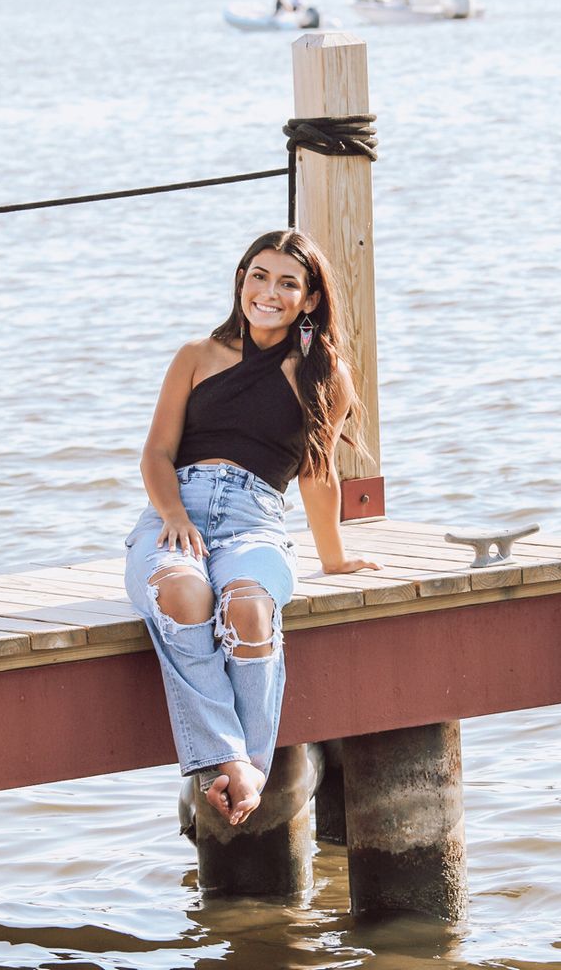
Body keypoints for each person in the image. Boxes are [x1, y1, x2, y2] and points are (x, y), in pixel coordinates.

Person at [124, 229, 380, 829]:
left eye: (287, 283)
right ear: (241, 280)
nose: (268, 291)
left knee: (245, 606)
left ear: (309, 299)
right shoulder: (196, 355)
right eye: (257, 276)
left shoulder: (325, 375)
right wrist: (175, 516)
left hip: (256, 522)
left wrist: (335, 559)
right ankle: (236, 761)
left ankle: (240, 765)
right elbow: (156, 454)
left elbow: (317, 477)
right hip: (175, 510)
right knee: (186, 594)